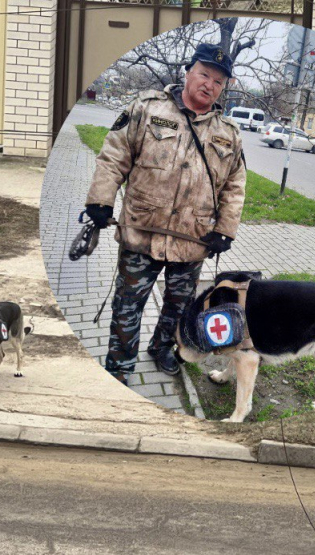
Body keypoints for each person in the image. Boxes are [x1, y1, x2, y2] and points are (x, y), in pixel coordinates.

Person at [84, 43, 247, 384]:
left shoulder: (228, 134)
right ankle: (120, 368)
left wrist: (226, 230)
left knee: (180, 308)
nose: (209, 85)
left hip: (192, 240)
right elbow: (114, 155)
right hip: (140, 233)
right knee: (127, 306)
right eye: (204, 74)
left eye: (218, 81)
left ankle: (162, 348)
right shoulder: (148, 108)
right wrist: (100, 201)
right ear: (188, 72)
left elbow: (234, 186)